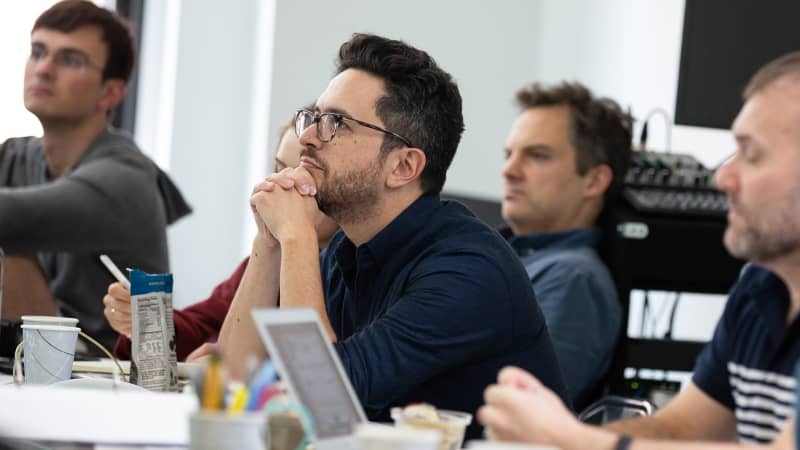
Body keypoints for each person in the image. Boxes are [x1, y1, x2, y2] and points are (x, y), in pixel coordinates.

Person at [218, 33, 568, 439]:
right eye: (313, 116)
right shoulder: (346, 250)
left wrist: (298, 237)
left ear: (402, 166)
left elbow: (320, 401)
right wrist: (269, 240)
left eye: (336, 123)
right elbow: (229, 387)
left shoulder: (469, 271)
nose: (309, 136)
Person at [478, 51, 800, 449]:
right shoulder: (757, 289)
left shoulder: (574, 276)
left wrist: (571, 440)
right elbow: (683, 430)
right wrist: (563, 439)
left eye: (751, 153)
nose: (722, 177)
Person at [0, 0, 190, 351]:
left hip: (102, 376)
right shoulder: (15, 155)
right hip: (33, 365)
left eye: (70, 59)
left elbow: (9, 217)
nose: (44, 68)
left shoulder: (126, 178)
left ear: (111, 92)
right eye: (38, 51)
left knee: (10, 237)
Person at [107, 118, 339, 361]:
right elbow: (205, 325)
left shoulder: (351, 267)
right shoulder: (268, 252)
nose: (282, 188)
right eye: (279, 170)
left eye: (305, 177)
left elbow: (318, 369)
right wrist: (149, 321)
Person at [501, 81, 631, 409]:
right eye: (509, 154)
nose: (509, 170)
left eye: (537, 156)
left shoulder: (573, 278)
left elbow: (521, 413)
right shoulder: (510, 258)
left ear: (594, 180)